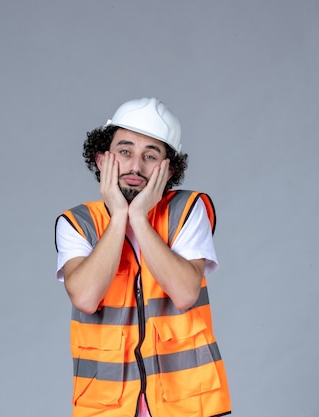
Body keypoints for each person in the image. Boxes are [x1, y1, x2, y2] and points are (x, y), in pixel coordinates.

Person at [54, 97, 231, 417]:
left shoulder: (188, 210)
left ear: (169, 169)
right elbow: (85, 297)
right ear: (102, 159)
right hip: (106, 406)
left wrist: (139, 219)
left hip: (189, 404)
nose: (136, 166)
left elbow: (185, 292)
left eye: (151, 156)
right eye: (125, 152)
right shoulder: (77, 222)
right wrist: (119, 215)